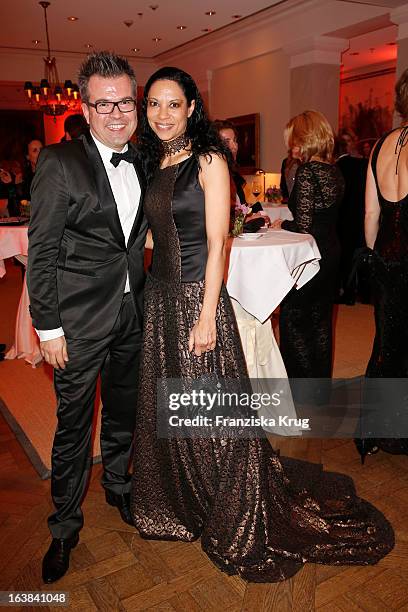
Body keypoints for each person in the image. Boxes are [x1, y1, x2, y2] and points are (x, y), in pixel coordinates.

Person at [130, 68, 393, 582]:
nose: (162, 114)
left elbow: (218, 243)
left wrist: (207, 313)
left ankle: (229, 501)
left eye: (173, 104)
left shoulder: (209, 160)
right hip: (161, 299)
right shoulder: (155, 160)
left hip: (195, 300)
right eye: (154, 104)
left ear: (190, 108)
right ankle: (189, 498)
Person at [27, 51, 147, 584]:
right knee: (73, 427)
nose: (116, 113)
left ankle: (119, 487)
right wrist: (48, 328)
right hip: (75, 323)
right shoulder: (58, 163)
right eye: (104, 103)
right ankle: (63, 528)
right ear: (85, 106)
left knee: (124, 412)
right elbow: (43, 252)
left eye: (125, 101)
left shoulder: (145, 160)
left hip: (131, 313)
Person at [355, 68, 408, 462]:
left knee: (387, 345)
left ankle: (377, 431)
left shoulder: (381, 146)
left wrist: (375, 257)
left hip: (386, 259)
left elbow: (371, 215)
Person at [272, 111, 344, 383]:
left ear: (305, 139)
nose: (292, 146)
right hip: (332, 251)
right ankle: (319, 389)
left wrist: (281, 225)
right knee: (321, 322)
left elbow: (303, 225)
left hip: (310, 257)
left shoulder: (307, 172)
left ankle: (298, 388)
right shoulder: (334, 171)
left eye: (294, 140)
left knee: (294, 319)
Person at [335, 135, 368, 305]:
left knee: (347, 254)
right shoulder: (363, 164)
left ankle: (347, 292)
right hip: (361, 213)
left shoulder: (339, 166)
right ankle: (359, 292)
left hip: (344, 216)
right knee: (358, 253)